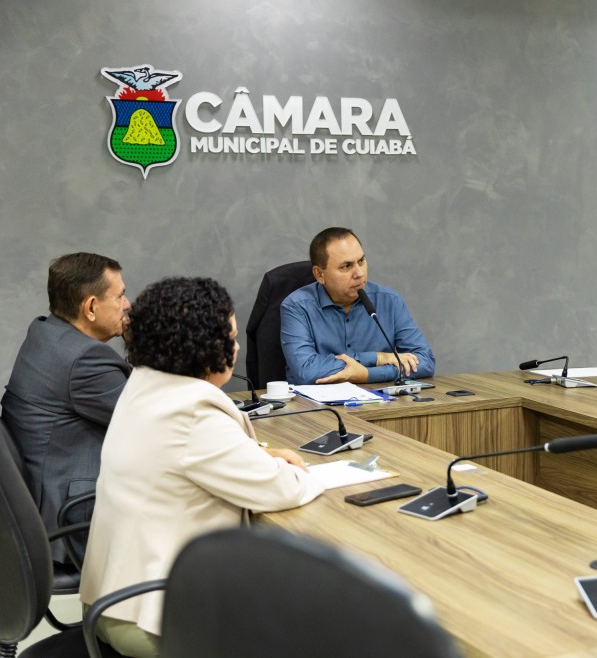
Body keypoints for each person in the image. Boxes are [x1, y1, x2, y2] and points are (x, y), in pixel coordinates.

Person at [80, 277, 325, 657]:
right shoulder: (193, 410)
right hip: (155, 618)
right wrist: (304, 471)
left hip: (113, 601)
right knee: (310, 627)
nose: (237, 347)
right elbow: (283, 489)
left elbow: (188, 460)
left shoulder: (146, 383)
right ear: (204, 347)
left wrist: (260, 456)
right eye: (231, 337)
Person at [1, 252, 131, 563]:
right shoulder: (85, 361)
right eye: (120, 296)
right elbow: (156, 421)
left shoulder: (44, 333)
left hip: (45, 501)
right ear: (90, 307)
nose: (127, 304)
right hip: (76, 521)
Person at [281, 227, 435, 384]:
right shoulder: (296, 306)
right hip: (314, 399)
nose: (359, 273)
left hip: (378, 398)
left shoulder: (389, 301)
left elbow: (425, 361)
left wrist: (368, 375)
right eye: (346, 266)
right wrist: (378, 358)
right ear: (320, 274)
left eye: (361, 261)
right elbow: (306, 370)